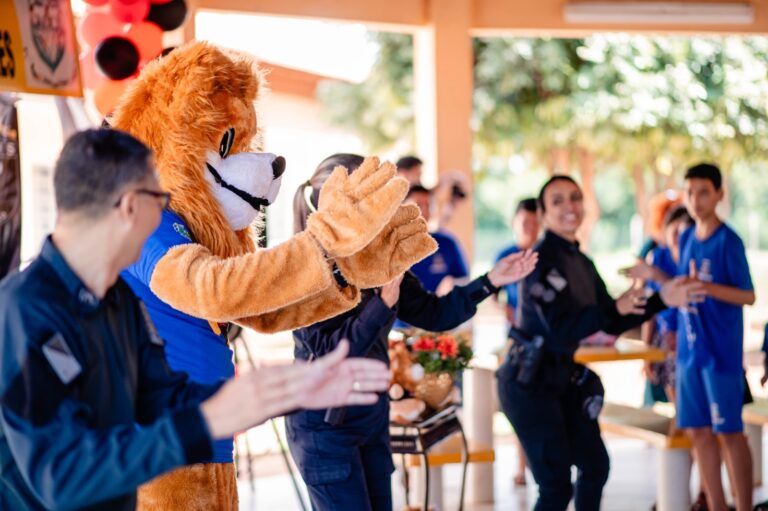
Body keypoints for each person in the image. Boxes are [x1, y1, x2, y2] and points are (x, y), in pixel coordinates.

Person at [0, 130, 391, 511]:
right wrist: (207, 420)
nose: (165, 212)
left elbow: (165, 398)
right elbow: (62, 479)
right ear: (130, 206)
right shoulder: (23, 310)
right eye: (159, 199)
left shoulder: (117, 299)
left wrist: (282, 393)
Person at [286, 153, 538, 511]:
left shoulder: (379, 257)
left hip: (370, 417)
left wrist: (491, 281)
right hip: (324, 426)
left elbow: (435, 312)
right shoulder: (305, 267)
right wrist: (381, 305)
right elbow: (331, 351)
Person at [496, 175, 701, 511]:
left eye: (575, 198)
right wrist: (614, 309)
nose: (569, 206)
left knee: (594, 466)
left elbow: (611, 318)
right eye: (558, 201)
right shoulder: (539, 261)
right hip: (528, 383)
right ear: (543, 214)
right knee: (555, 487)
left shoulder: (581, 262)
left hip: (562, 378)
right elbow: (562, 328)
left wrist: (663, 298)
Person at [675, 163, 755, 511]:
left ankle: (744, 505)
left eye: (704, 192)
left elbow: (748, 295)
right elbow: (681, 287)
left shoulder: (728, 241)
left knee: (729, 433)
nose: (696, 200)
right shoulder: (686, 237)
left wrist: (707, 288)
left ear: (719, 194)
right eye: (690, 192)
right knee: (698, 432)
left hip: (721, 354)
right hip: (688, 352)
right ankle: (716, 505)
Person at [493, 197, 540, 486]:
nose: (529, 228)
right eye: (525, 222)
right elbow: (493, 294)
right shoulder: (505, 255)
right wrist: (507, 311)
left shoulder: (545, 254)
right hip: (515, 341)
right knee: (518, 406)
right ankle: (521, 466)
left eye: (535, 223)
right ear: (514, 223)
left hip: (543, 341)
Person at [405, 184, 469, 295]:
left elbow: (464, 279)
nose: (424, 211)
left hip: (440, 304)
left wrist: (452, 283)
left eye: (428, 205)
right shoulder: (392, 246)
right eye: (418, 205)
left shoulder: (447, 242)